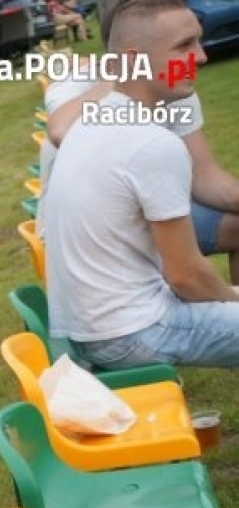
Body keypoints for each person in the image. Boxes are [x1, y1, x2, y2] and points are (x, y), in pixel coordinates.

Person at [45, 0, 239, 370]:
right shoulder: (151, 143)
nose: (201, 57)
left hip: (94, 327)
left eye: (198, 42)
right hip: (130, 333)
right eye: (184, 46)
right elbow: (186, 276)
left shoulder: (95, 118)